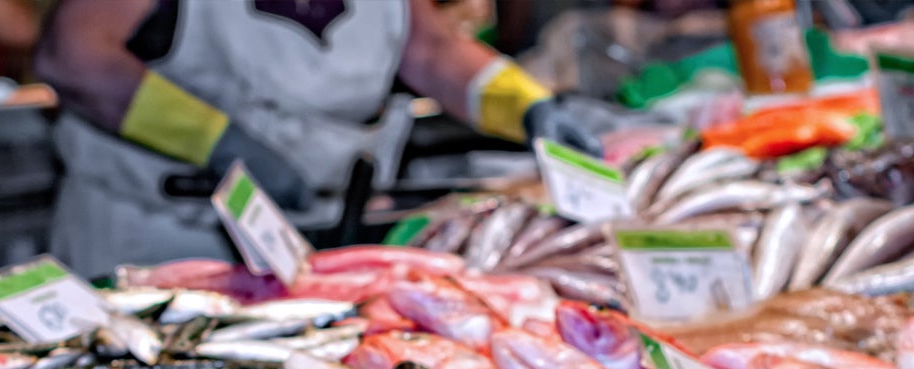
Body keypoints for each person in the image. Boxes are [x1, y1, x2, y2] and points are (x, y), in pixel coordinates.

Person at [35, 0, 604, 277]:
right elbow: (74, 56)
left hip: (317, 244)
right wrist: (217, 141)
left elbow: (431, 49)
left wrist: (526, 105)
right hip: (155, 240)